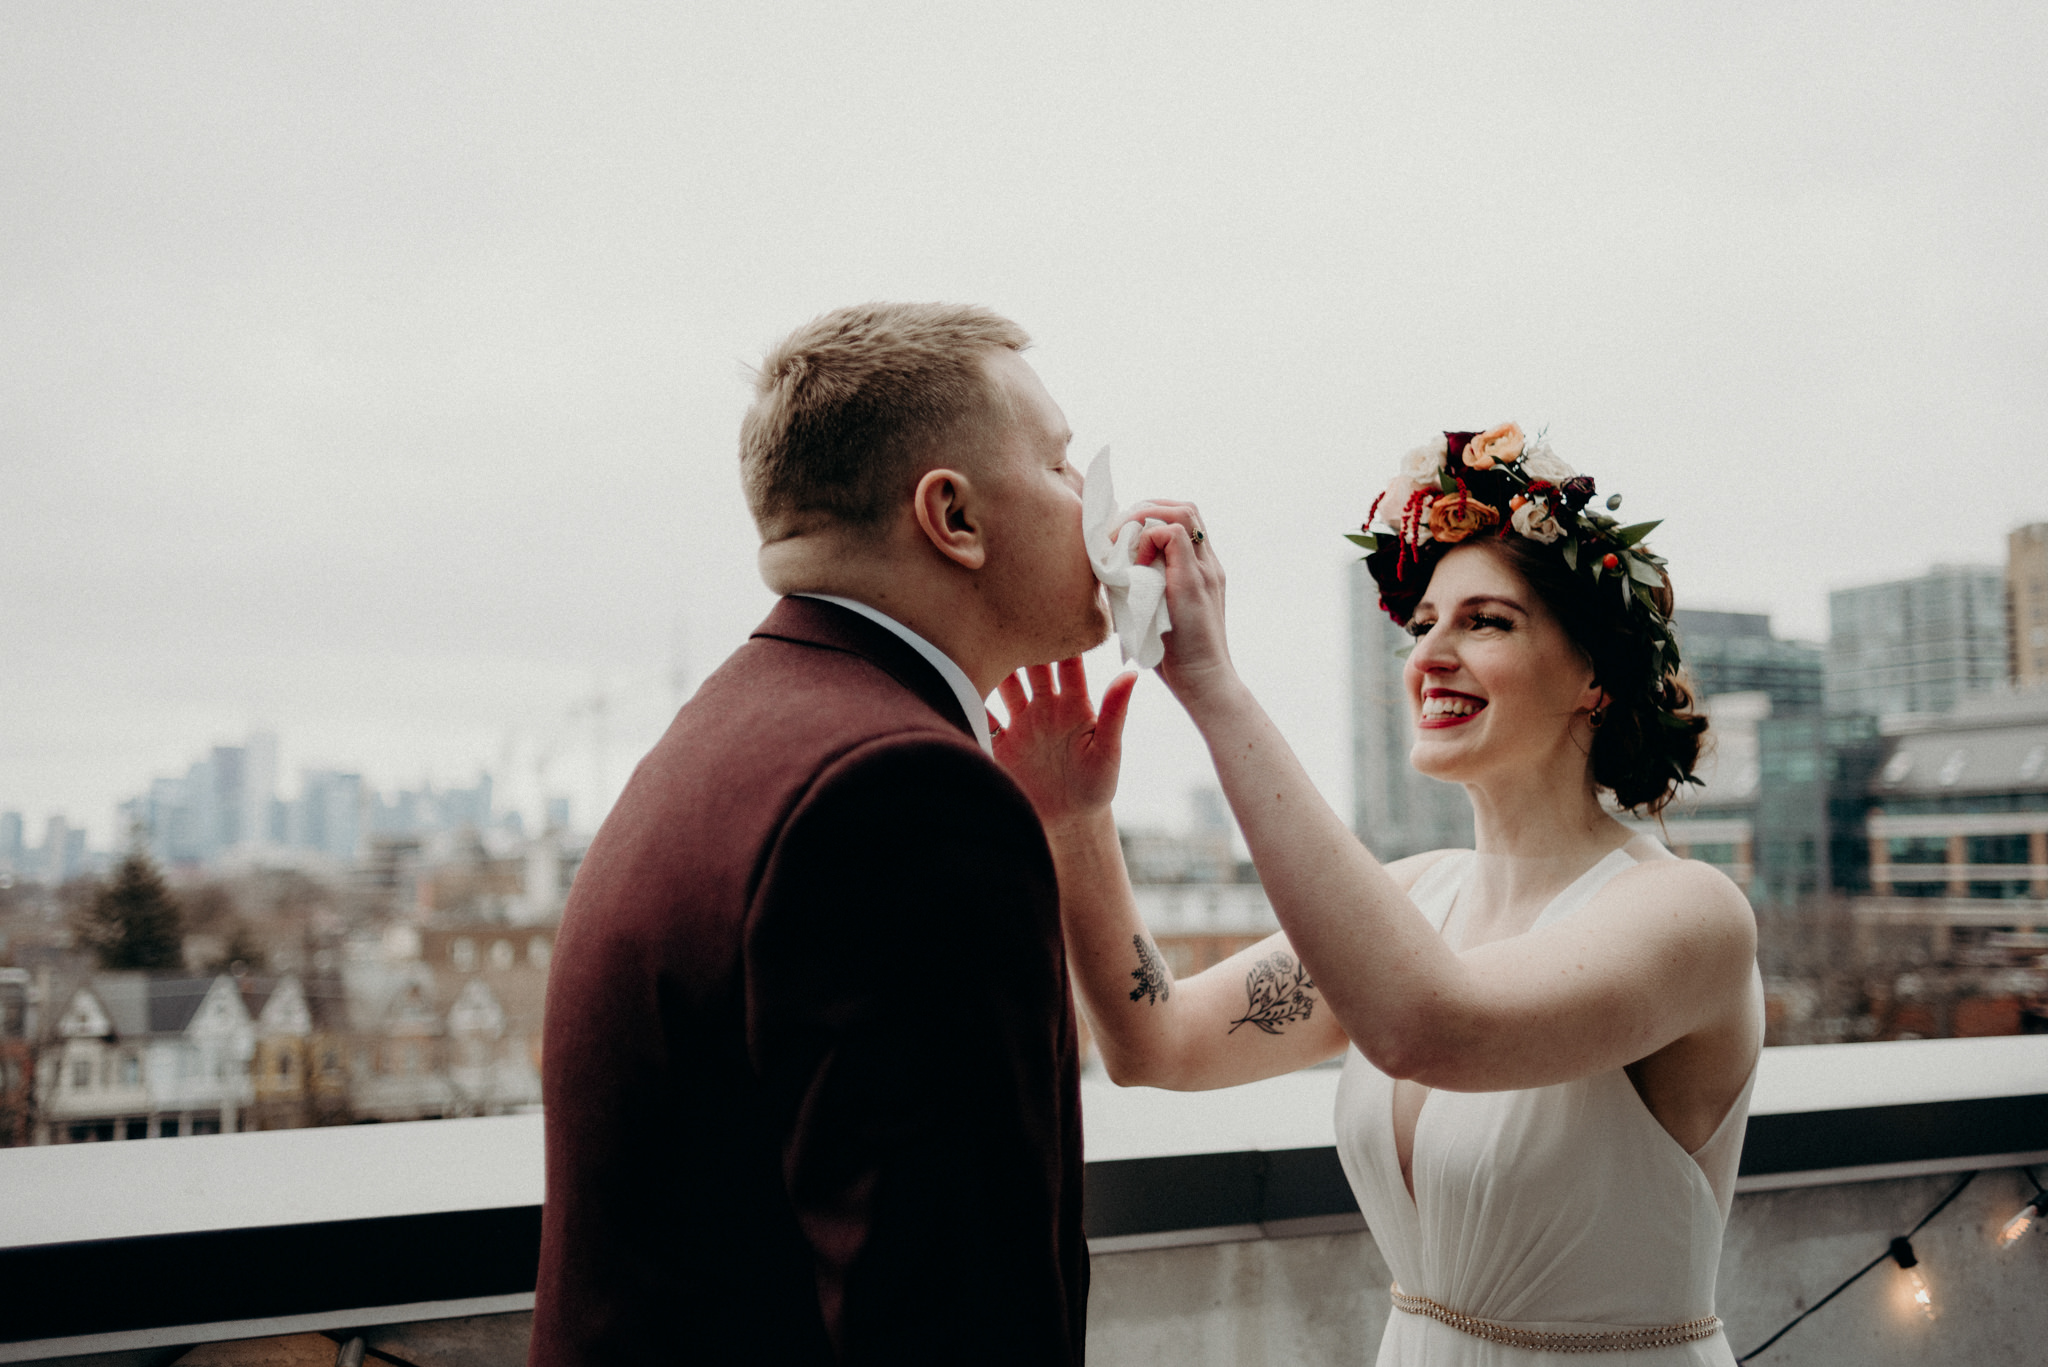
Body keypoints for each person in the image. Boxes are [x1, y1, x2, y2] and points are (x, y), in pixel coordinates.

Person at [998, 426, 1763, 1364]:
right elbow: (1157, 1041)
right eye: (1423, 624)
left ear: (1595, 676)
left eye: (1486, 621)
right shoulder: (1416, 898)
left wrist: (1211, 685)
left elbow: (1428, 1027)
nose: (1430, 654)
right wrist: (1075, 822)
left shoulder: (1690, 912)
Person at [530, 303, 1107, 1366]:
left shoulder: (728, 731)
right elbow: (948, 1309)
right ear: (953, 515)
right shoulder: (906, 796)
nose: (1094, 501)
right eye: (1064, 465)